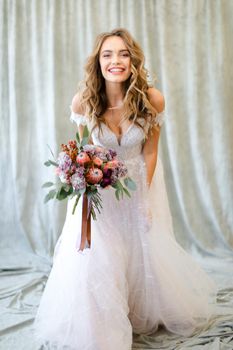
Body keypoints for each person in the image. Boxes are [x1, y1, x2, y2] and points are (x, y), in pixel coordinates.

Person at [33, 28, 217, 350]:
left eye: (123, 54)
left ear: (132, 61)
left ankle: (136, 307)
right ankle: (102, 324)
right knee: (97, 259)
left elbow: (150, 151)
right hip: (99, 196)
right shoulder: (84, 102)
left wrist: (145, 198)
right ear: (98, 62)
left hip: (136, 188)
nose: (115, 60)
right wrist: (80, 181)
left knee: (141, 249)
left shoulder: (152, 100)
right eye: (107, 54)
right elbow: (83, 150)